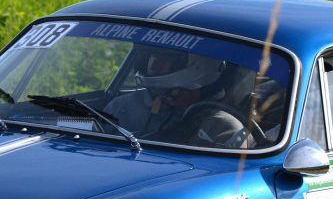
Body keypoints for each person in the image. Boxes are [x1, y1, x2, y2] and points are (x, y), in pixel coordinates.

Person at [104, 48, 252, 148]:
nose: (154, 64)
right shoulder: (122, 107)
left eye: (166, 58)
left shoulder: (224, 128)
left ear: (200, 65)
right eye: (153, 55)